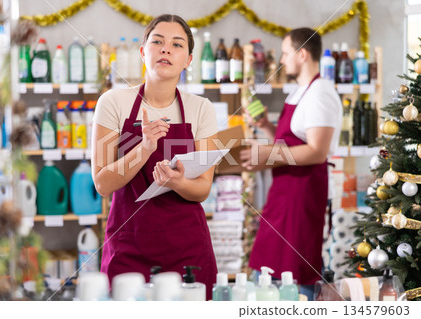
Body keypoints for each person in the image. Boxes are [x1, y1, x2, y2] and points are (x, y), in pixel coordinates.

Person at [91, 14, 218, 300]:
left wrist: (178, 182)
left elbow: (203, 189)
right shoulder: (113, 103)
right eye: (157, 41)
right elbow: (102, 183)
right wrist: (144, 147)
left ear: (188, 60)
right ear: (142, 52)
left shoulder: (201, 109)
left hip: (188, 249)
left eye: (177, 44)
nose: (165, 49)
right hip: (129, 247)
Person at [240, 28, 342, 300]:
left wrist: (268, 154)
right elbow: (290, 141)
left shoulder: (320, 93)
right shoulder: (301, 92)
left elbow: (317, 152)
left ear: (302, 54)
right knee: (271, 265)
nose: (282, 61)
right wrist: (266, 127)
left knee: (297, 269)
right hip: (284, 193)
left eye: (286, 54)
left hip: (303, 195)